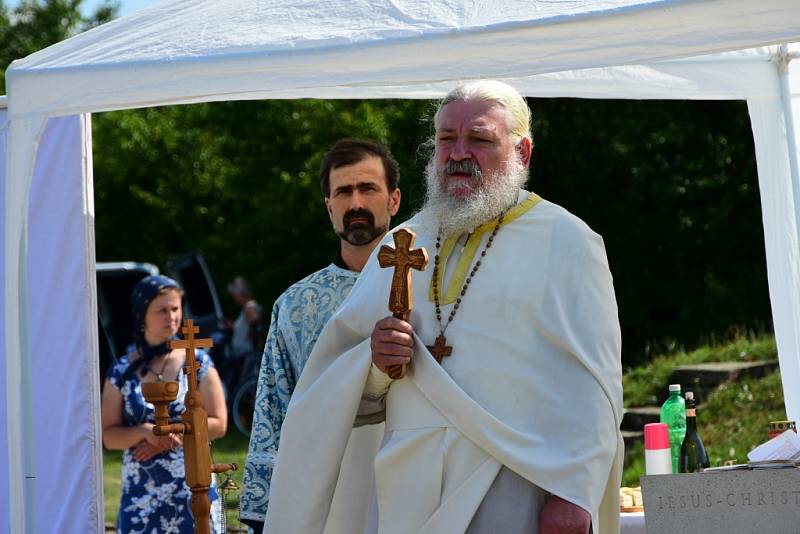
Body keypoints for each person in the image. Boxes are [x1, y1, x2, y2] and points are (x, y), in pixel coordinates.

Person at [265, 80, 623, 534]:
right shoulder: (401, 242)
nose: (458, 154)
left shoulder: (567, 240)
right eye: (446, 140)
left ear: (523, 153)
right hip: (402, 486)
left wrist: (576, 494)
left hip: (510, 475)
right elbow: (336, 378)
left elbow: (596, 384)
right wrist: (374, 365)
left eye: (479, 139)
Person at [239, 139, 403, 532]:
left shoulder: (431, 285)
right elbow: (273, 407)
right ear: (329, 206)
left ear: (394, 200)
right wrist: (262, 511)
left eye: (368, 189)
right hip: (330, 492)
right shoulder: (294, 306)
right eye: (343, 192)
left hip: (411, 481)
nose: (356, 203)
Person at [101, 274, 228, 534]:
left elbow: (219, 423)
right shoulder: (122, 370)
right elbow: (109, 436)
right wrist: (144, 432)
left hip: (192, 486)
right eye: (161, 310)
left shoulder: (198, 361)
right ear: (141, 315)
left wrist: (173, 433)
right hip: (141, 492)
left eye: (175, 308)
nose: (171, 317)